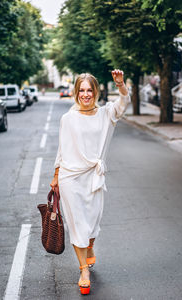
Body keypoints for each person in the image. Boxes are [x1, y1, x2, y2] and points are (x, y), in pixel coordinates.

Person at [50, 69, 130, 295]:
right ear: (76, 93)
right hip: (70, 178)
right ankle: (83, 269)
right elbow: (61, 149)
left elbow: (125, 102)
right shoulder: (67, 118)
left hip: (94, 177)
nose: (86, 94)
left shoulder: (107, 114)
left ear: (95, 92)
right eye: (81, 90)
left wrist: (121, 84)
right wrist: (56, 177)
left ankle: (90, 244)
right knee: (77, 224)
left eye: (89, 90)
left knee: (92, 221)